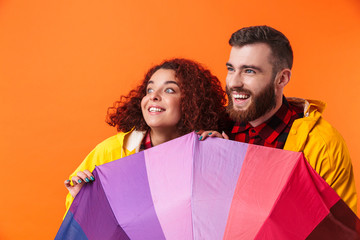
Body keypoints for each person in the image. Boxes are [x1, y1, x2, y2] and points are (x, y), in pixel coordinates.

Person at [199, 25, 357, 213]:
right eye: (231, 69)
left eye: (249, 71)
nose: (234, 82)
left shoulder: (321, 146)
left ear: (281, 79)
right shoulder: (212, 126)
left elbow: (339, 230)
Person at [63, 58, 228, 212]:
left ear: (192, 102)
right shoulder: (111, 151)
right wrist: (82, 199)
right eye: (149, 89)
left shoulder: (206, 151)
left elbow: (221, 215)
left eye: (169, 90)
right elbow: (77, 223)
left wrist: (223, 161)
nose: (153, 96)